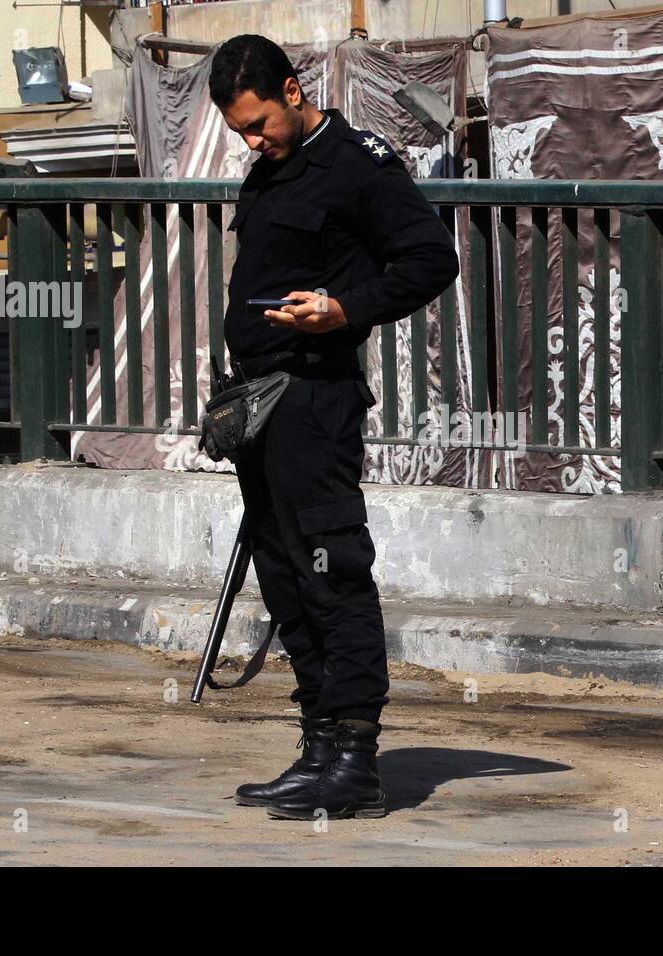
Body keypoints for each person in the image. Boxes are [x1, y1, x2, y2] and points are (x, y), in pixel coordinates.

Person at [208, 34, 459, 820]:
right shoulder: (271, 171)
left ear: (292, 89)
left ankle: (355, 756)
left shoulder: (358, 164)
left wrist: (344, 310)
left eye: (258, 124)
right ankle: (317, 745)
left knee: (332, 569)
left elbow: (430, 258)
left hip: (316, 401)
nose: (252, 142)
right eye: (239, 132)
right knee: (283, 574)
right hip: (261, 403)